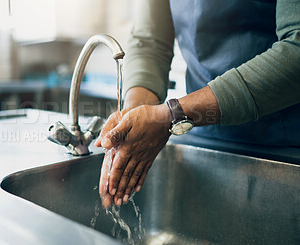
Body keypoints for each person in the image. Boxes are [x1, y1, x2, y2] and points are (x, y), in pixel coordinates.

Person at [95, 0, 300, 208]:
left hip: (283, 147)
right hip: (202, 135)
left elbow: (296, 49)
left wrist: (173, 114)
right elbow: (150, 42)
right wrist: (134, 118)